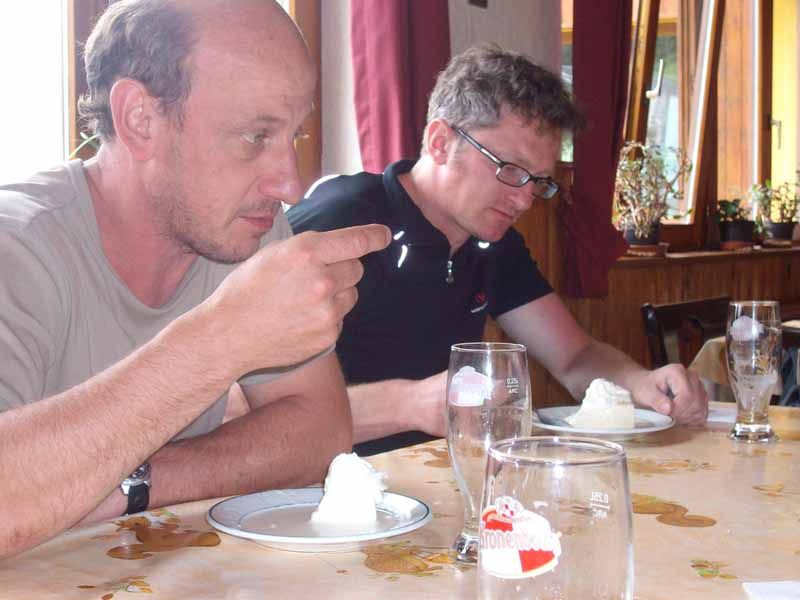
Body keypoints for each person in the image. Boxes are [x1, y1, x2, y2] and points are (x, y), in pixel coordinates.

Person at [0, 0, 390, 559]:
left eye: (295, 137)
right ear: (140, 119)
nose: (289, 184)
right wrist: (221, 340)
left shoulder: (243, 227)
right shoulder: (16, 247)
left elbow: (321, 431)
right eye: (255, 136)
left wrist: (134, 483)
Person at [288, 44, 708, 455]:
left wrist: (640, 383)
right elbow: (254, 407)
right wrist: (408, 405)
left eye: (538, 181)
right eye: (509, 169)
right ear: (440, 142)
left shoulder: (492, 243)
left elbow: (575, 357)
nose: (525, 200)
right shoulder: (340, 223)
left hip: (434, 480)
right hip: (320, 489)